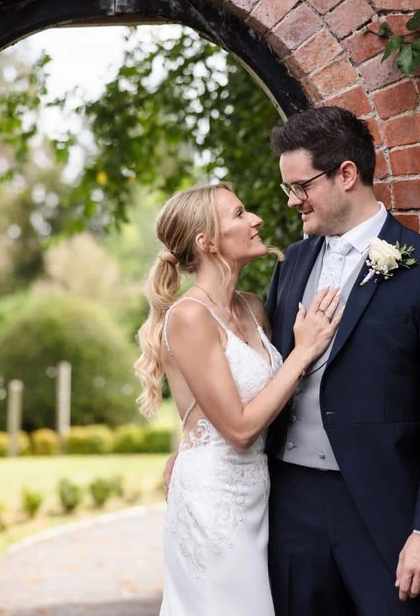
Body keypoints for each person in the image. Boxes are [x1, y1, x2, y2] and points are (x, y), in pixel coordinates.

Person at [263, 106, 420, 615]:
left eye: (301, 186)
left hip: (384, 506)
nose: (293, 201)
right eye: (287, 188)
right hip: (292, 504)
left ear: (346, 174)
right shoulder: (291, 264)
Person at [134, 182, 343, 616]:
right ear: (206, 242)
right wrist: (303, 351)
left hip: (260, 496)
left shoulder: (251, 307)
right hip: (213, 504)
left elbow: (261, 398)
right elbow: (241, 429)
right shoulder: (189, 317)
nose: (256, 220)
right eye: (239, 214)